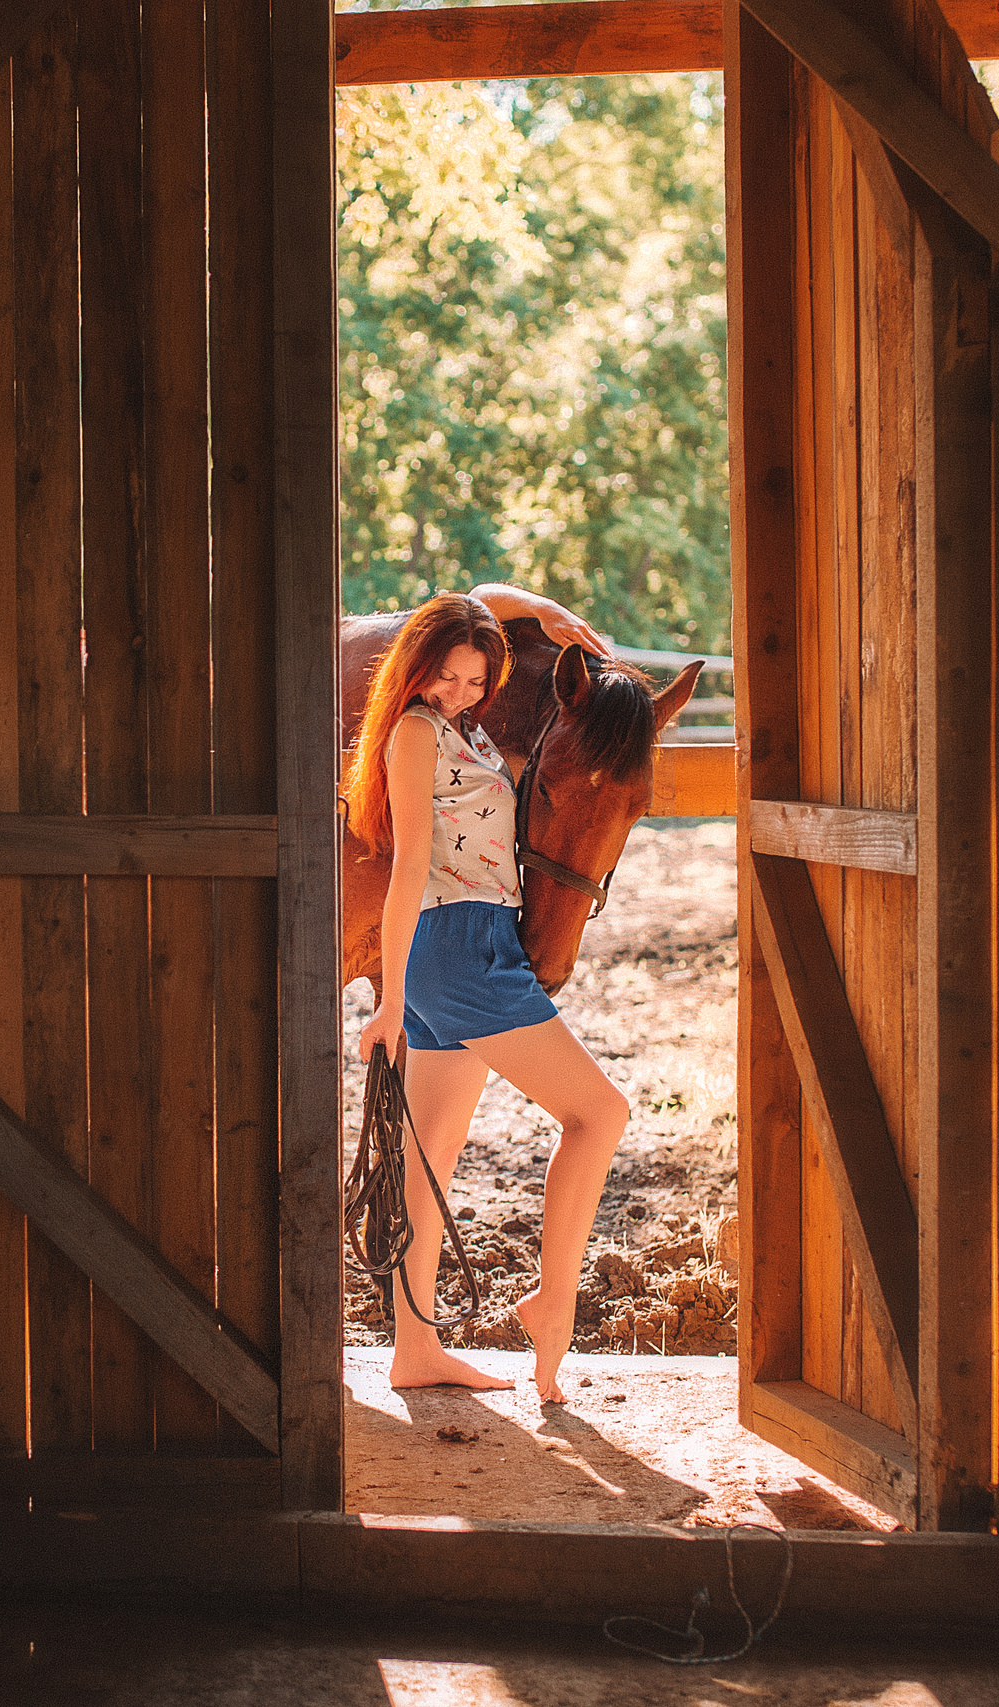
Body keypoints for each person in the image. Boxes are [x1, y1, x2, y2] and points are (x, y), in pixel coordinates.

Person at [346, 586, 629, 1404]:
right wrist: (391, 999)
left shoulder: (459, 731)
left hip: (471, 942)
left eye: (475, 681)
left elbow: (476, 600)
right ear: (417, 666)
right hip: (458, 948)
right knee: (599, 1114)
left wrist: (549, 613)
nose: (460, 692)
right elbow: (406, 872)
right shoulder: (409, 732)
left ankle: (414, 1348)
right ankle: (553, 1299)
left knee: (429, 1150)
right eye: (447, 678)